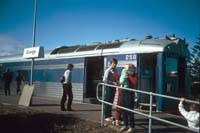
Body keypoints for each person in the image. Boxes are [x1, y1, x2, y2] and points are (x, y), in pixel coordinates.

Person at [120, 64, 138, 133]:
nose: (128, 70)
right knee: (123, 110)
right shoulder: (125, 74)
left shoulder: (134, 75)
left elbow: (134, 82)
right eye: (127, 69)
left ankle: (132, 127)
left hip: (130, 93)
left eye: (129, 68)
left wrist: (128, 77)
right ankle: (125, 125)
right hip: (124, 92)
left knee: (130, 111)